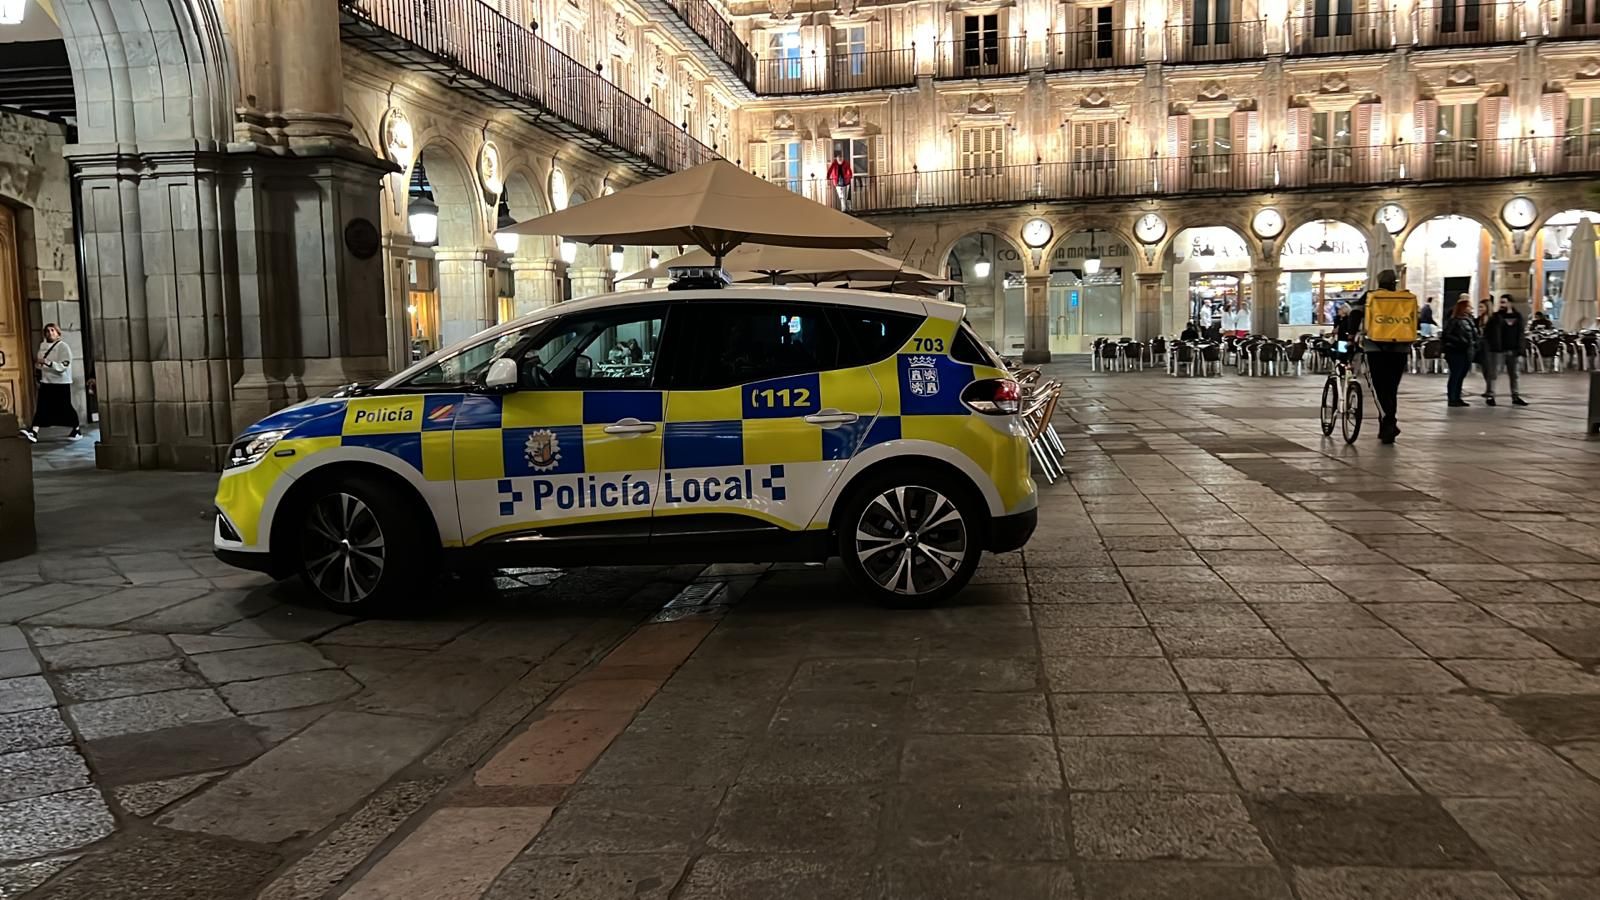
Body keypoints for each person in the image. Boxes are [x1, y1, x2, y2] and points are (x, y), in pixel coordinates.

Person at [1339, 269, 1415, 444]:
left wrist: (1351, 337)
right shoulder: (1405, 298)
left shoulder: (1370, 296)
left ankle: (1389, 423)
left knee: (1378, 387)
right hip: (1400, 348)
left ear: (1378, 282)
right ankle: (1387, 425)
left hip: (1376, 347)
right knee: (1391, 389)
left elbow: (1354, 315)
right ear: (1394, 283)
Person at [20, 323, 81, 443]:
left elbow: (64, 364)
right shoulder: (42, 346)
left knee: (65, 408)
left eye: (53, 330)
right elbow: (39, 363)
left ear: (58, 333)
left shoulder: (63, 347)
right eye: (47, 331)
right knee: (41, 407)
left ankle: (76, 429)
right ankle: (34, 432)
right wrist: (39, 367)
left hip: (61, 383)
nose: (50, 333)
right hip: (46, 382)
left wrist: (49, 363)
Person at [1482, 294, 1528, 407]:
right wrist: (1493, 345)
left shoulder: (1518, 317)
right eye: (1500, 302)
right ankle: (1490, 395)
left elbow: (1521, 334)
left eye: (1504, 302)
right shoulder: (1496, 317)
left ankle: (1515, 395)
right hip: (1498, 350)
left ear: (1510, 303)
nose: (1501, 305)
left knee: (1514, 374)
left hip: (1513, 350)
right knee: (1494, 373)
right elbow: (1488, 332)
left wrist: (1521, 349)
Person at [1442, 298, 1481, 408]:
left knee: (1461, 375)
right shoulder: (1454, 321)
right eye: (1468, 306)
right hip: (1456, 351)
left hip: (1467, 351)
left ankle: (1457, 397)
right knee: (1455, 375)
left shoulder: (1469, 320)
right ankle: (1452, 398)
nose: (1471, 308)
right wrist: (1460, 341)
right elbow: (1446, 335)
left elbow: (1473, 335)